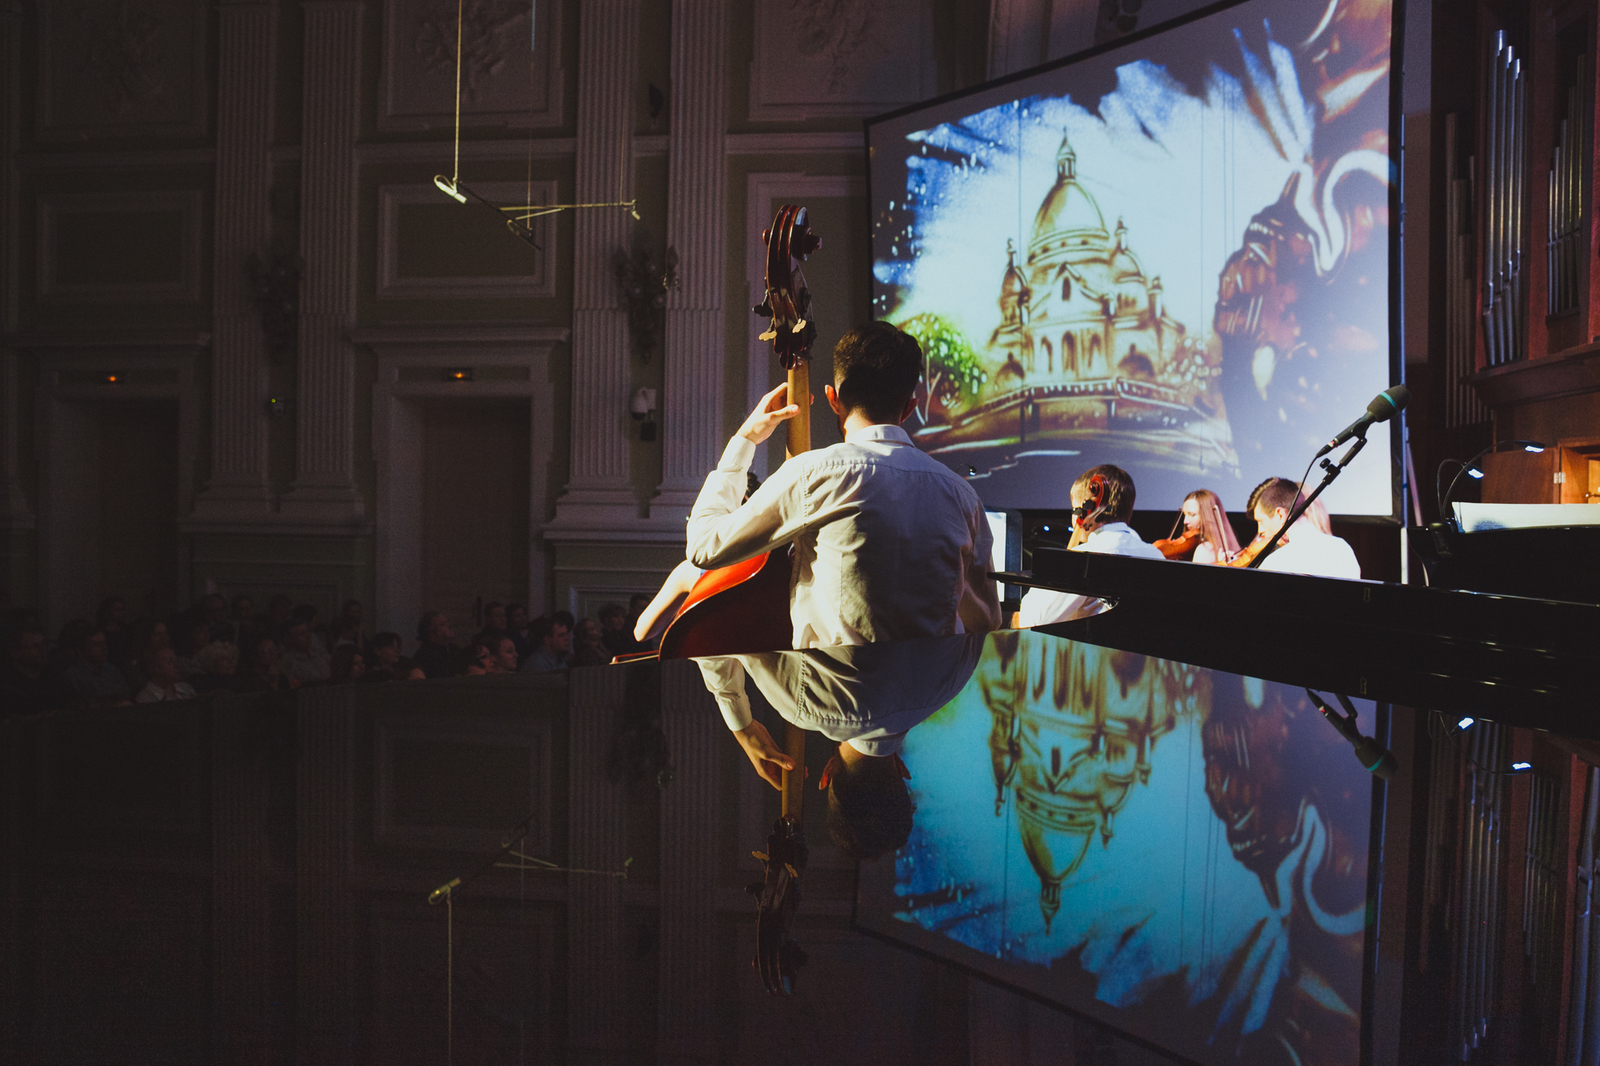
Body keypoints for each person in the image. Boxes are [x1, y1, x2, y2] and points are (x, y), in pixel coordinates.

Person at [685, 321, 1000, 648]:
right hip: (932, 681)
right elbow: (986, 620)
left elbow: (704, 546)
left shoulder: (813, 475)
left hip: (835, 682)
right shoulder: (963, 496)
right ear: (909, 407)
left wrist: (746, 437)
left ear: (833, 398)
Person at [698, 633, 985, 859]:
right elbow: (713, 630)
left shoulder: (956, 676)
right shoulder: (799, 705)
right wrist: (742, 726)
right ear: (827, 775)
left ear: (902, 769)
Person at [1017, 464, 1165, 627]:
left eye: (1074, 509)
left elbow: (1035, 621)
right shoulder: (1156, 555)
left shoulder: (1083, 558)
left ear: (1084, 510)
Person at [1248, 477, 1362, 579]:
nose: (1260, 530)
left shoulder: (1275, 563)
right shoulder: (1343, 549)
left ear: (1280, 515)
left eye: (1261, 521)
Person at [63, 628, 132, 707]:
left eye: (104, 643)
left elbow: (125, 694)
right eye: (96, 644)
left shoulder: (112, 670)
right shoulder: (73, 676)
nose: (104, 648)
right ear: (81, 650)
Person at [1179, 488, 1242, 564]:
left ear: (1207, 516)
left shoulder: (1203, 550)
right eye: (1185, 514)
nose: (1185, 521)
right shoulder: (1229, 543)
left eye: (1192, 515)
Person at [280, 620, 331, 685]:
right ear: (288, 639)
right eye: (302, 634)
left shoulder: (319, 654)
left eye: (308, 631)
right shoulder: (288, 663)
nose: (308, 636)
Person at [412, 610, 457, 680]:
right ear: (430, 632)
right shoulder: (424, 656)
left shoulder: (453, 649)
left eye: (447, 622)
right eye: (442, 624)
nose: (449, 626)